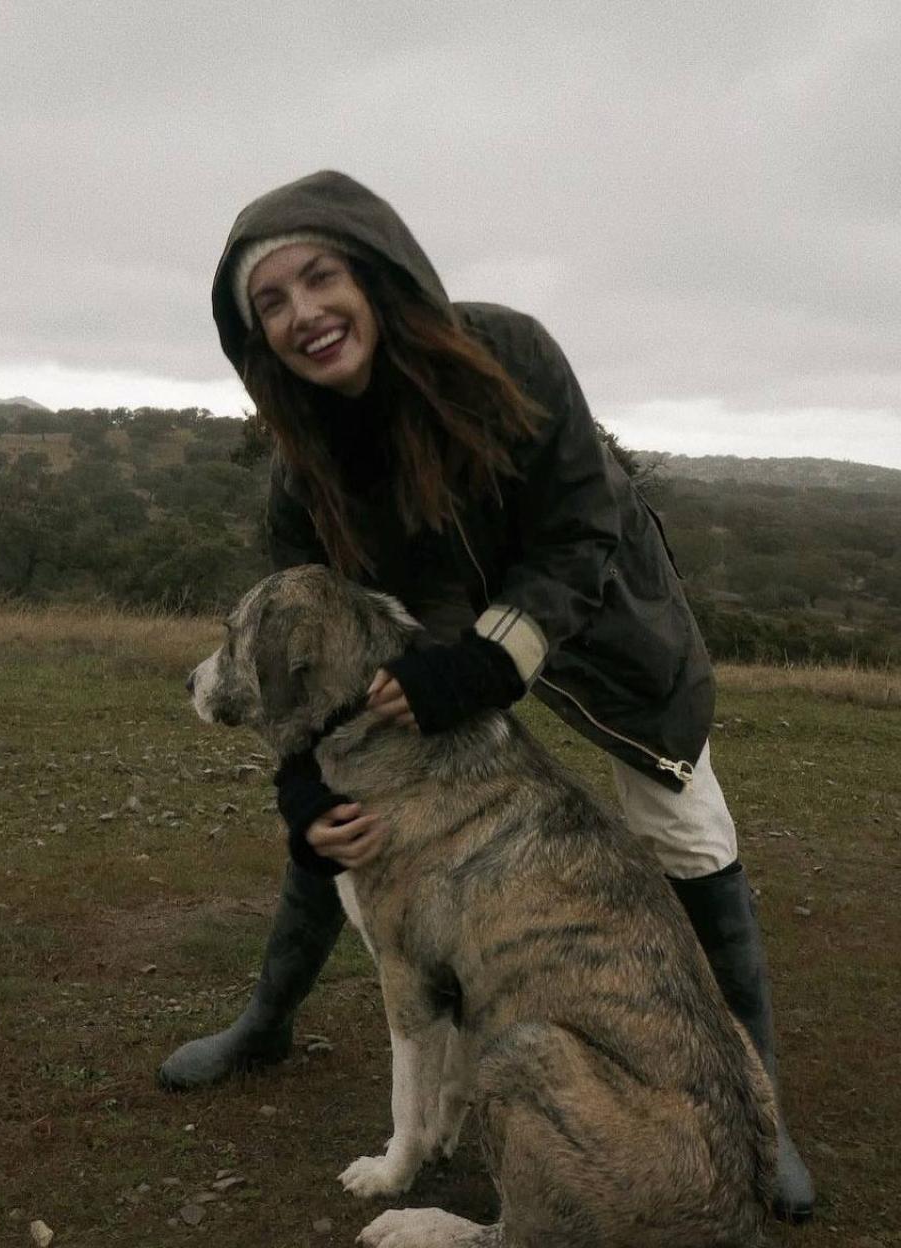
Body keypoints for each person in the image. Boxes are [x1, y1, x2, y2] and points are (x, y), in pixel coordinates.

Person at [156, 170, 815, 1222]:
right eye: (268, 304)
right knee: (358, 837)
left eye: (318, 277)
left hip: (598, 632)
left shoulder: (508, 354)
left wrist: (493, 661)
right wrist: (300, 795)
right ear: (253, 338)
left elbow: (580, 529)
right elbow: (299, 678)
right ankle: (269, 1018)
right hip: (430, 675)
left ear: (371, 271)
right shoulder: (303, 468)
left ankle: (749, 1123)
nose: (302, 314)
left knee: (686, 833)